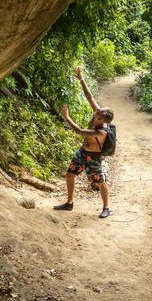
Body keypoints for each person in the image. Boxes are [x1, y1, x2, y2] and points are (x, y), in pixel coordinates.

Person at [54, 67, 114, 218]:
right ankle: (69, 203)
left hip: (93, 158)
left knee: (100, 182)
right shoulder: (99, 114)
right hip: (82, 153)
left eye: (99, 114)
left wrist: (67, 117)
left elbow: (80, 131)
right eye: (97, 111)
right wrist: (81, 78)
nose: (96, 111)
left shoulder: (101, 132)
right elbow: (89, 96)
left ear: (102, 120)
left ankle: (106, 207)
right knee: (70, 175)